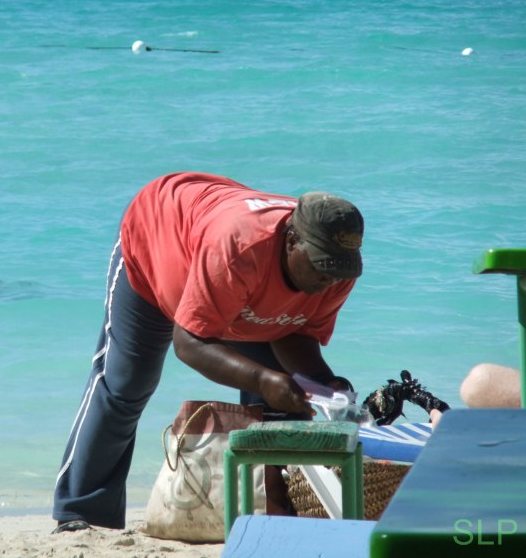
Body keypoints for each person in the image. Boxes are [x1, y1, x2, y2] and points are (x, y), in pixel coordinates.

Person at [52, 172, 364, 532]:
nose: (331, 280)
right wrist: (263, 379)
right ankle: (81, 512)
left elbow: (295, 332)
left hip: (231, 281)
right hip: (155, 244)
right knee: (126, 386)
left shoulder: (337, 270)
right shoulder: (238, 249)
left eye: (339, 269)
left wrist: (325, 384)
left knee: (282, 404)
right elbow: (189, 343)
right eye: (321, 265)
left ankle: (272, 513)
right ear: (292, 241)